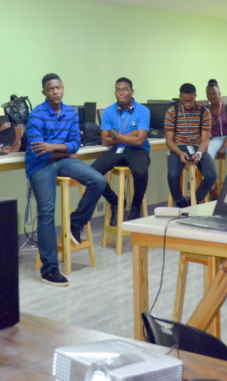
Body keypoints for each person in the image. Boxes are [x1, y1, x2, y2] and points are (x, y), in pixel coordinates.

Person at [26, 74, 106, 286]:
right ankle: (49, 270)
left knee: (98, 181)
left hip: (61, 160)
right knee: (46, 212)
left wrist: (54, 147)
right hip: (40, 165)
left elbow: (76, 144)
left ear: (62, 88)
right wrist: (66, 151)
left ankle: (75, 223)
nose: (56, 92)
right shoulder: (36, 115)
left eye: (58, 87)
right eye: (51, 89)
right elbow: (40, 152)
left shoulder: (70, 112)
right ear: (44, 92)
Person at [89, 78, 151, 225]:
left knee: (141, 172)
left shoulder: (143, 111)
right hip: (118, 149)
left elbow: (139, 141)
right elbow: (105, 140)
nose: (121, 93)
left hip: (138, 150)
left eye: (125, 89)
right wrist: (129, 136)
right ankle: (115, 201)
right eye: (118, 90)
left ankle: (135, 207)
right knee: (92, 172)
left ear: (132, 91)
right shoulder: (109, 111)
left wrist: (116, 134)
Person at [165, 83, 216, 208]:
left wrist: (199, 153)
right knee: (172, 175)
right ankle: (181, 203)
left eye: (191, 100)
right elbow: (169, 140)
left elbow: (205, 139)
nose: (188, 104)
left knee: (211, 176)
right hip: (178, 147)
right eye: (185, 101)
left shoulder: (204, 112)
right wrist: (179, 152)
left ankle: (194, 202)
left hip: (198, 147)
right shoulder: (172, 112)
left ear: (195, 96)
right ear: (180, 97)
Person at [205, 79, 227, 178]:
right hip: (215, 139)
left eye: (214, 93)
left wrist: (223, 146)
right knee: (207, 156)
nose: (212, 96)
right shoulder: (206, 111)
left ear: (219, 93)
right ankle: (211, 184)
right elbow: (206, 129)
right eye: (209, 94)